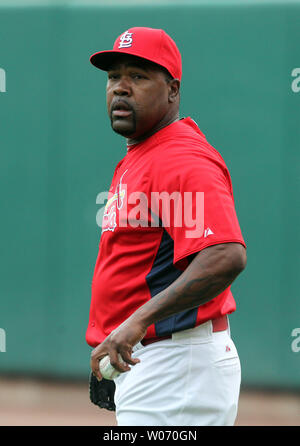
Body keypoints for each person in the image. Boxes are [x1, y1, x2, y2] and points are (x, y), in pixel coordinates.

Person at [87, 27, 247, 426]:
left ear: (172, 90)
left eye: (138, 77)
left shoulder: (180, 157)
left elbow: (225, 255)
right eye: (113, 77)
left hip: (176, 366)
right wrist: (116, 340)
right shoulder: (143, 154)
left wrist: (134, 326)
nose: (120, 88)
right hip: (158, 362)